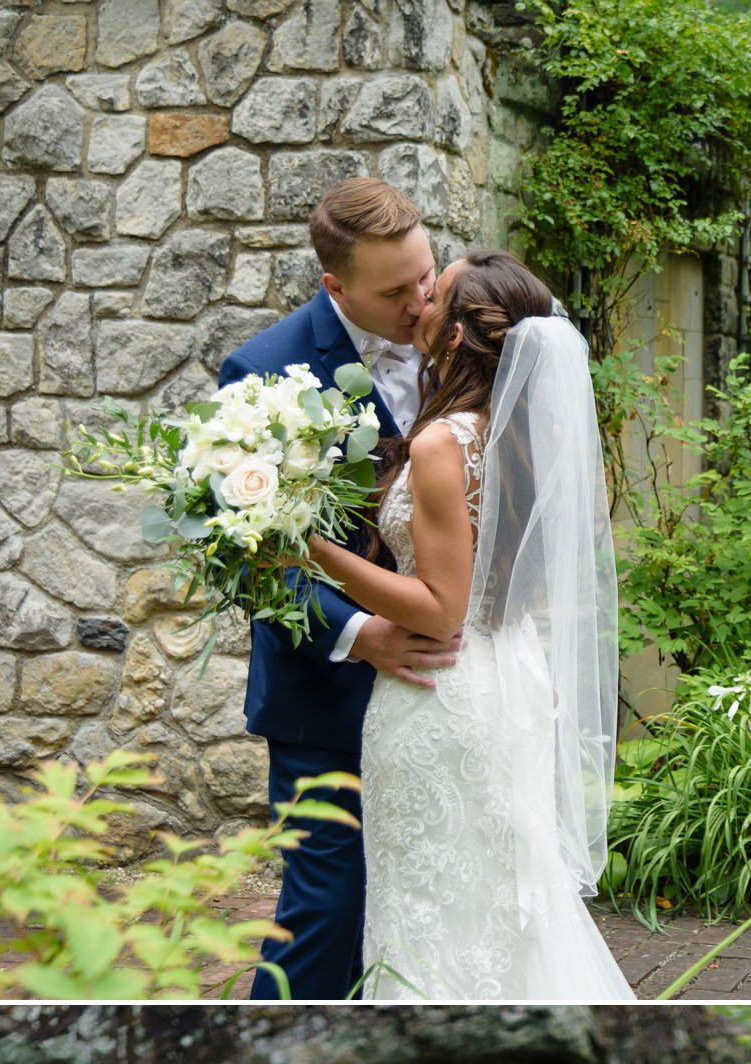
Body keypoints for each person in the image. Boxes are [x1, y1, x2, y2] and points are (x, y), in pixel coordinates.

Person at [309, 259, 632, 1006]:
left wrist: (309, 548)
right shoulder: (525, 440)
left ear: (457, 334)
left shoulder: (440, 445)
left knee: (431, 907)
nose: (420, 299)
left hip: (441, 691)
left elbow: (440, 609)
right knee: (500, 900)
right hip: (511, 676)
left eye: (436, 290)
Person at [220, 170, 440, 1011]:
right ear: (334, 286)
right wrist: (360, 634)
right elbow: (249, 558)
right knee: (328, 909)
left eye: (427, 274)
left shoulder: (459, 340)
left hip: (441, 692)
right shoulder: (264, 374)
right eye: (397, 292)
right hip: (325, 695)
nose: (423, 304)